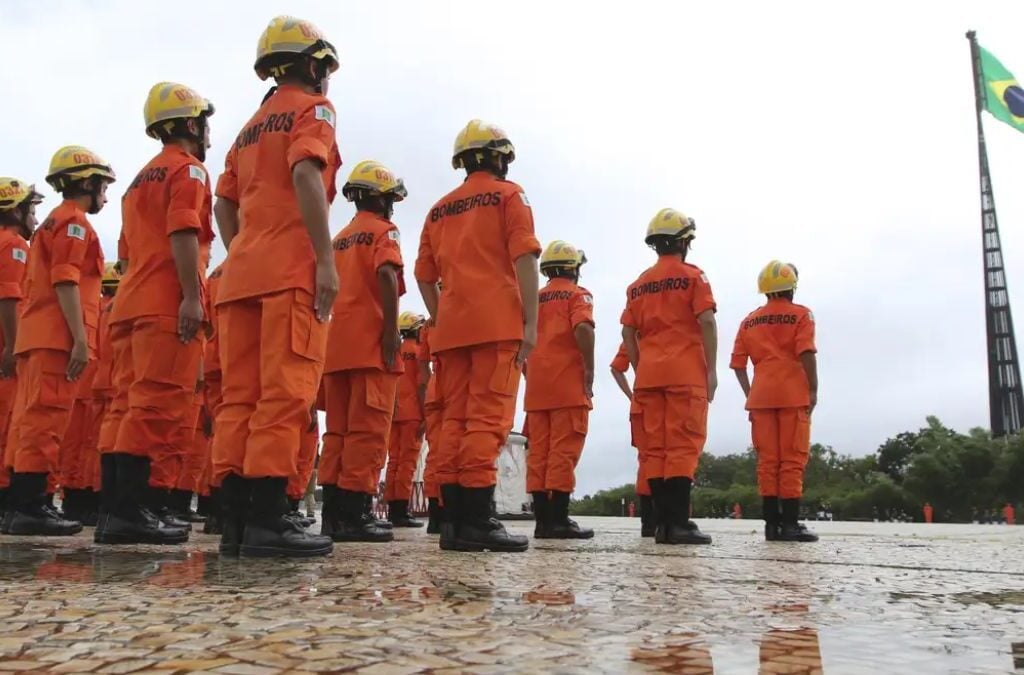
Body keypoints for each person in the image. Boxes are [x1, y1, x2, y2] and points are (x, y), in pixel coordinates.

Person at [211, 15, 340, 558]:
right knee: (284, 394)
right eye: (324, 66)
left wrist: (244, 249)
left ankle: (236, 522)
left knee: (238, 398)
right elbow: (307, 175)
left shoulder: (248, 127)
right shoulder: (314, 109)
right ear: (311, 64)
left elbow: (224, 202)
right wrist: (325, 261)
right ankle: (269, 518)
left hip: (241, 276)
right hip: (288, 273)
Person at [95, 82, 215, 546]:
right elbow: (184, 232)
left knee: (124, 407)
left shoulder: (137, 181)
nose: (207, 132)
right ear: (189, 124)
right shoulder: (189, 172)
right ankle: (133, 513)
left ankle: (116, 512)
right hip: (165, 305)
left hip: (130, 305)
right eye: (203, 122)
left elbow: (125, 256)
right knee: (156, 407)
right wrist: (190, 295)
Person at [415, 119, 540, 553]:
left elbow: (423, 275)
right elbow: (524, 256)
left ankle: (452, 521)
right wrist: (530, 322)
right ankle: (477, 519)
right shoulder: (509, 195)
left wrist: (442, 315)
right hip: (496, 324)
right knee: (487, 420)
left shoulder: (438, 209)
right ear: (499, 156)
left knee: (452, 423)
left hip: (450, 331)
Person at [3, 146, 113, 536]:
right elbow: (66, 280)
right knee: (45, 421)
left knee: (28, 420)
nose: (104, 193)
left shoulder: (52, 221)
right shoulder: (73, 222)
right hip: (56, 336)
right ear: (85, 182)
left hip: (38, 335)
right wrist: (81, 340)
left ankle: (22, 505)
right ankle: (31, 508)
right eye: (101, 184)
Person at [320, 160, 406, 543]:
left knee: (336, 433)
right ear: (381, 198)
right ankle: (355, 515)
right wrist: (390, 332)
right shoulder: (384, 232)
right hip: (371, 347)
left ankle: (334, 514)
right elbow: (387, 275)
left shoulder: (338, 238)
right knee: (367, 432)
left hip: (336, 348)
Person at [621, 208, 716, 546]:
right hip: (684, 373)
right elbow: (706, 321)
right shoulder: (694, 277)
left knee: (656, 449)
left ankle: (661, 524)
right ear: (684, 243)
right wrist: (711, 370)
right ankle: (677, 524)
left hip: (649, 376)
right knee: (682, 445)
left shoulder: (637, 286)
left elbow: (627, 331)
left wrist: (639, 366)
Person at [730, 261, 818, 542]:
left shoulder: (749, 321)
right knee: (791, 460)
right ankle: (790, 525)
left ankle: (771, 526)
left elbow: (738, 364)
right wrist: (813, 389)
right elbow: (806, 352)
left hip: (761, 397)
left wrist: (750, 393)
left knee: (767, 462)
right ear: (792, 288)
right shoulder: (802, 315)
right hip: (793, 395)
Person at [524, 240, 594, 539]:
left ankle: (542, 520)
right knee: (563, 452)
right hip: (567, 385)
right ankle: (558, 519)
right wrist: (589, 368)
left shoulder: (532, 299)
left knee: (539, 453)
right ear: (573, 269)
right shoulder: (578, 295)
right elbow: (583, 328)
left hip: (537, 388)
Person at [0, 178, 41, 522]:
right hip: (5, 353)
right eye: (31, 209)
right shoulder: (14, 245)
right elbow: (10, 299)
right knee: (6, 426)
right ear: (15, 210)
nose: (35, 219)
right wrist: (12, 348)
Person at [385, 311, 427, 528]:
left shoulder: (395, 349)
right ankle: (401, 510)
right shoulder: (418, 352)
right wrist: (426, 414)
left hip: (393, 413)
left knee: (393, 460)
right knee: (407, 462)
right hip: (412, 414)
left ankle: (392, 507)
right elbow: (421, 384)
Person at [610, 342, 655, 537]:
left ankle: (648, 523)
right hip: (667, 402)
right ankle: (669, 519)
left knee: (646, 459)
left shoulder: (634, 335)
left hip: (640, 405)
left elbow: (616, 368)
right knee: (672, 457)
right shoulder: (674, 328)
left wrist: (632, 396)